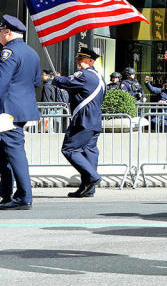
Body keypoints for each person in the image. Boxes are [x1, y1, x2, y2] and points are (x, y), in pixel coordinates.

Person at [0, 15, 42, 210]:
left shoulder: (9, 52)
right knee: (5, 153)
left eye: (0, 31)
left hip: (7, 111)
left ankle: (24, 196)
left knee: (14, 152)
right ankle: (6, 193)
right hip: (21, 110)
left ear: (7, 32)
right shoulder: (32, 52)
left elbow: (1, 83)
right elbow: (36, 82)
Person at [52, 46, 105, 198]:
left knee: (69, 149)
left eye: (81, 59)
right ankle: (88, 188)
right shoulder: (99, 77)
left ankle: (93, 177)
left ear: (90, 61)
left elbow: (65, 82)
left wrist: (55, 78)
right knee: (89, 152)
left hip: (83, 120)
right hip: (94, 120)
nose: (78, 62)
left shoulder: (84, 75)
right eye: (78, 59)